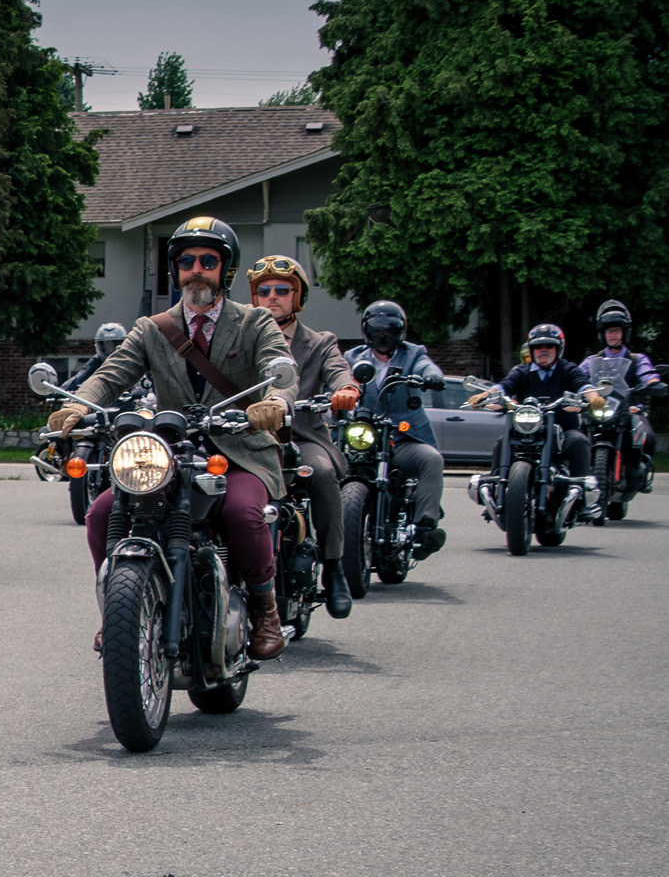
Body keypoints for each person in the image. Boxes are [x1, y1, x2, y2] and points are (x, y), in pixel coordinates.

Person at [46, 215, 294, 660]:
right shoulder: (151, 328)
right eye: (185, 261)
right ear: (175, 270)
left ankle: (263, 607)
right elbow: (109, 375)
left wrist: (274, 402)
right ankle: (118, 610)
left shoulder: (256, 322)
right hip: (172, 450)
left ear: (226, 270)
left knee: (241, 513)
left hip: (240, 449)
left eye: (207, 260)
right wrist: (77, 405)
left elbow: (280, 369)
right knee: (103, 512)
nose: (195, 269)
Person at [244, 255, 360, 617]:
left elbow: (340, 370)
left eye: (283, 290)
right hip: (247, 437)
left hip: (303, 435)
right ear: (254, 298)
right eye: (264, 291)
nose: (272, 296)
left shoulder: (320, 342)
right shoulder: (239, 337)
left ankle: (333, 567)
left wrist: (346, 389)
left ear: (298, 297)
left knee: (322, 474)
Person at [355, 300, 449, 557]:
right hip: (363, 441)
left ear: (401, 331)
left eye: (390, 330)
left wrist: (432, 376)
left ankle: (425, 527)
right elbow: (337, 377)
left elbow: (427, 366)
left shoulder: (413, 354)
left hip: (403, 438)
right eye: (377, 330)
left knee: (431, 459)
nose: (383, 336)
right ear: (367, 331)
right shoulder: (352, 358)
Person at [490, 323, 593, 502]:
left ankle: (582, 498)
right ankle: (495, 493)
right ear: (531, 349)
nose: (543, 350)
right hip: (527, 432)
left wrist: (593, 397)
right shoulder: (521, 372)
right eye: (538, 346)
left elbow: (583, 385)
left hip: (562, 432)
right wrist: (485, 395)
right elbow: (504, 386)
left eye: (548, 346)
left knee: (579, 441)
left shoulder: (567, 369)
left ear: (558, 348)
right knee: (501, 443)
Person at [578, 299, 662, 488]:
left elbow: (648, 373)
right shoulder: (592, 360)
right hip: (598, 409)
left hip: (629, 409)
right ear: (603, 334)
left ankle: (642, 474)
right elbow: (577, 377)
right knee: (575, 434)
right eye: (609, 331)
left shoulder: (636, 358)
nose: (613, 335)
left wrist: (652, 382)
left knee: (648, 437)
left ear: (625, 332)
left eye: (616, 330)